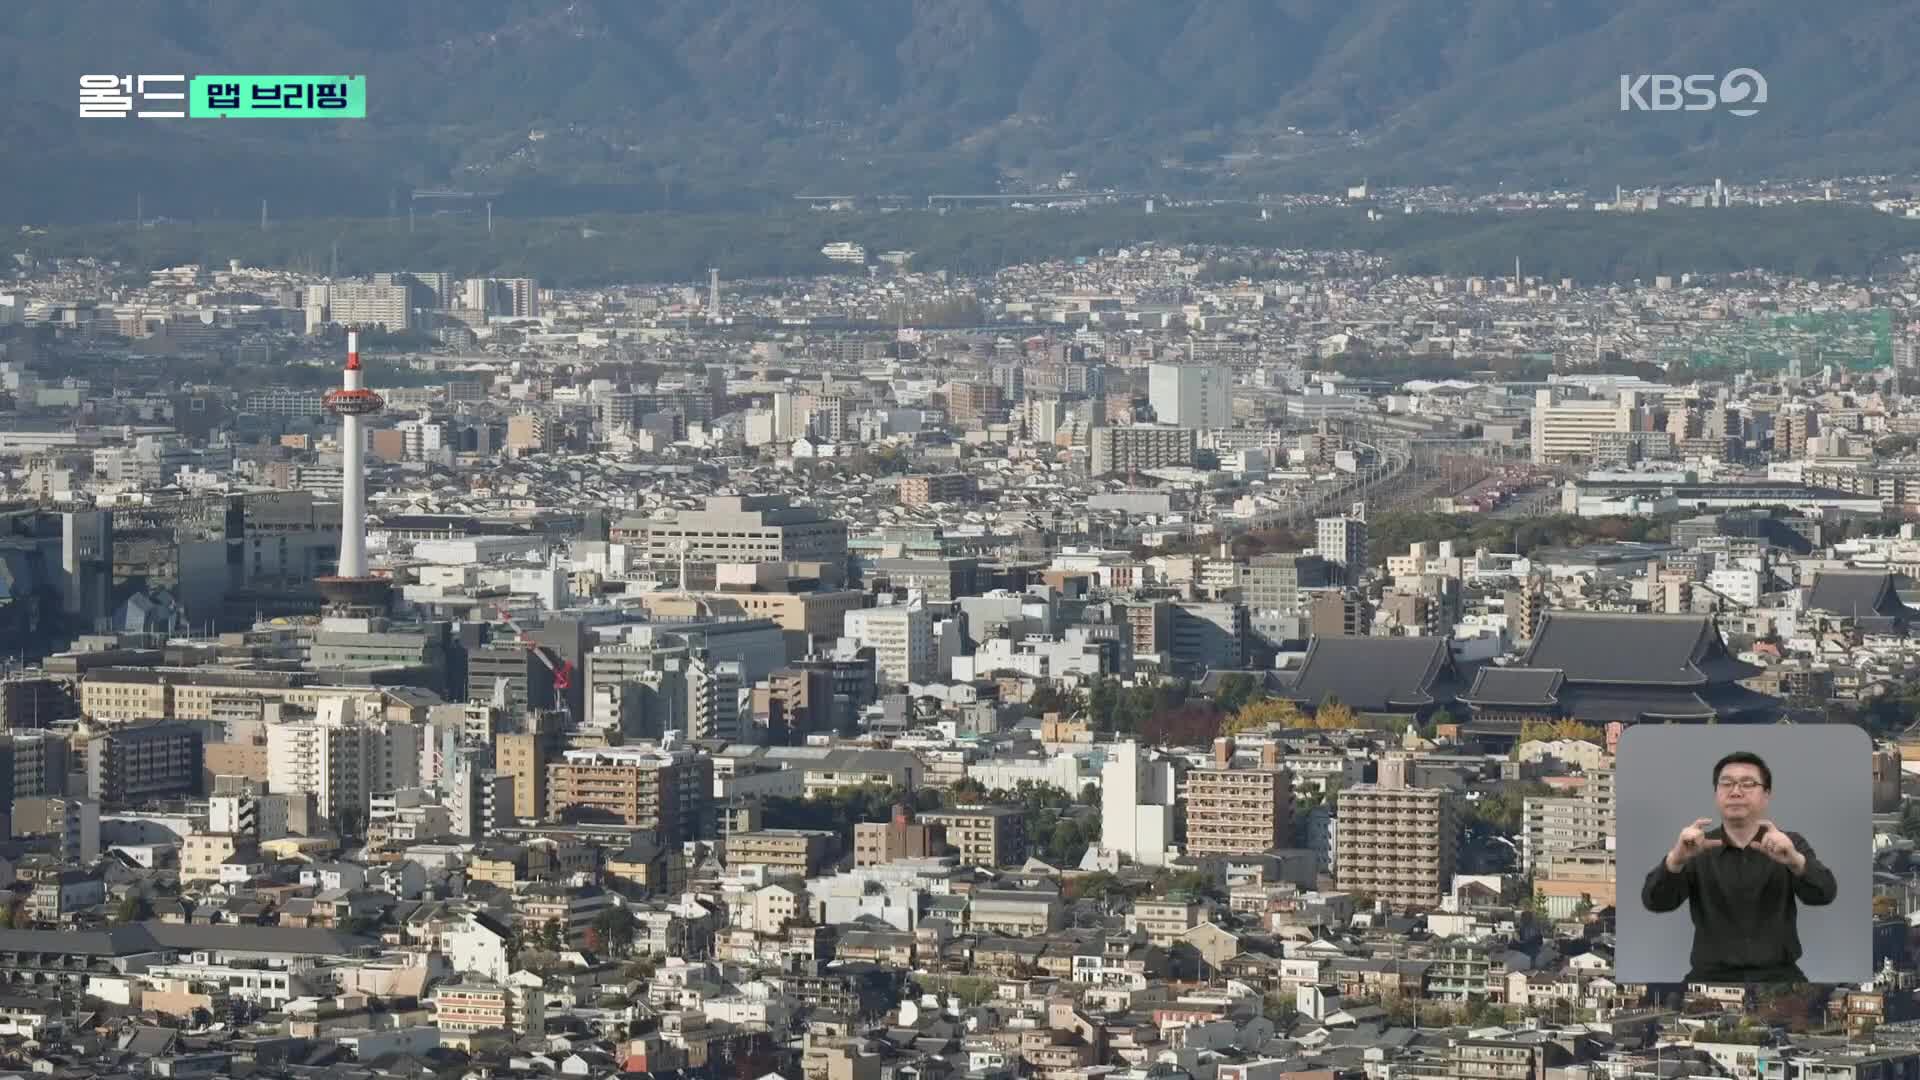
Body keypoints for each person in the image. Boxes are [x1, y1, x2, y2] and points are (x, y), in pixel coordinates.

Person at [1642, 750, 1838, 983]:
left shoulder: (1789, 843)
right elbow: (1656, 902)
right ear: (1716, 794)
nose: (1735, 791)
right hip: (1709, 978)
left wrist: (1795, 860)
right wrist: (1676, 859)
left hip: (1780, 976)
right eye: (1726, 784)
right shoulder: (1696, 847)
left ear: (1766, 794)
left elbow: (1824, 893)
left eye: (1747, 784)